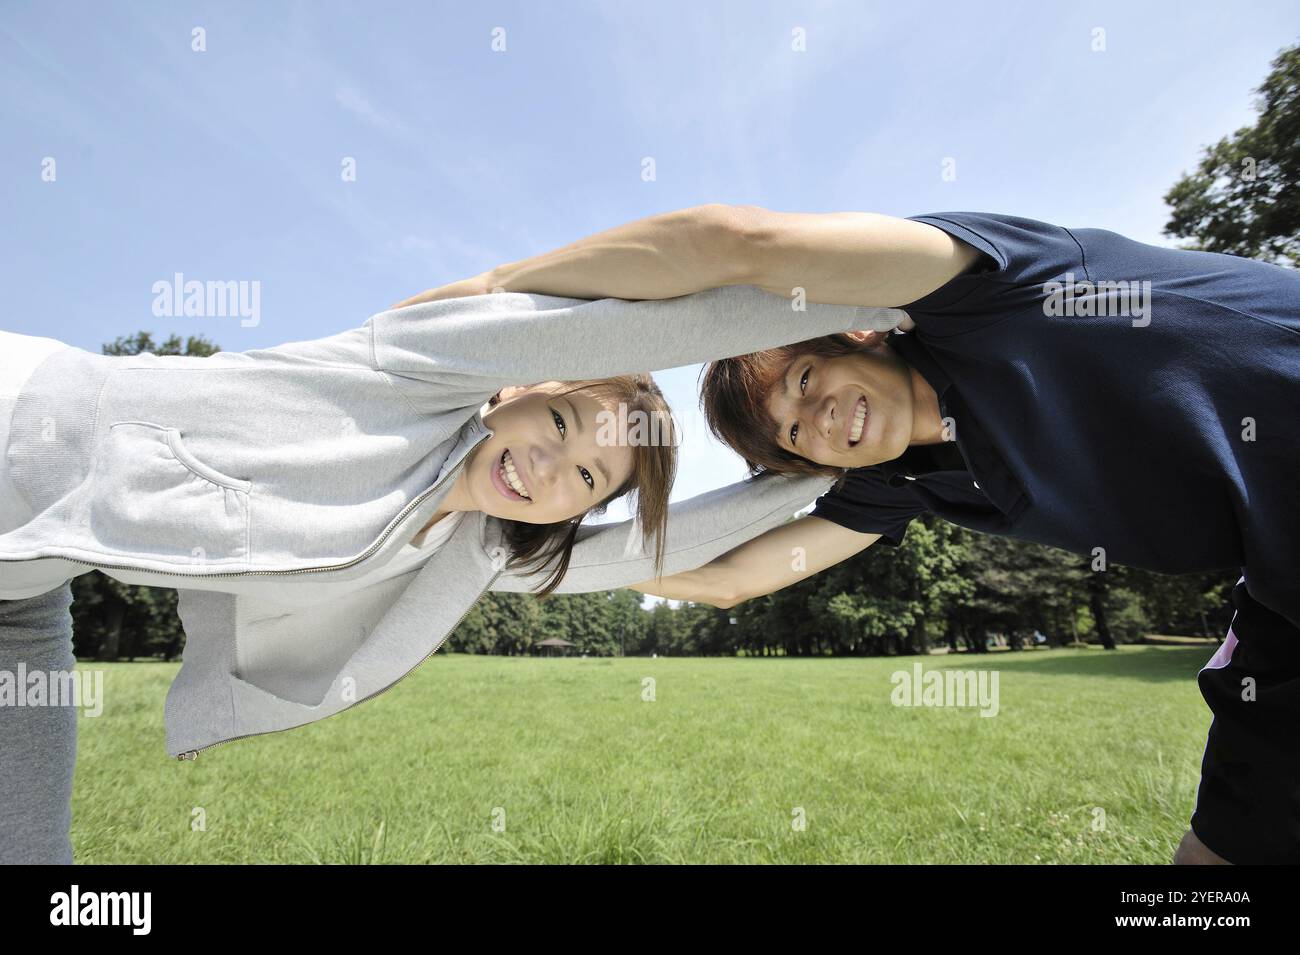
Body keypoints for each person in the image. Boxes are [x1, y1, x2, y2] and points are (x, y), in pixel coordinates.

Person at [412, 204, 1298, 865]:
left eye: (804, 374)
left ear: (858, 329)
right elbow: (729, 579)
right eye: (791, 434)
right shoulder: (904, 483)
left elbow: (738, 244)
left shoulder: (986, 292)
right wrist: (506, 562)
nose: (819, 419)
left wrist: (495, 296)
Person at [1, 242, 899, 862]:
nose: (550, 469)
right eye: (557, 421)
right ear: (511, 384)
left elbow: (666, 553)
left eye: (587, 480)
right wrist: (878, 301)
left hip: (24, 599)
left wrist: (835, 472)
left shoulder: (480, 550)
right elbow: (653, 329)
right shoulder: (411, 376)